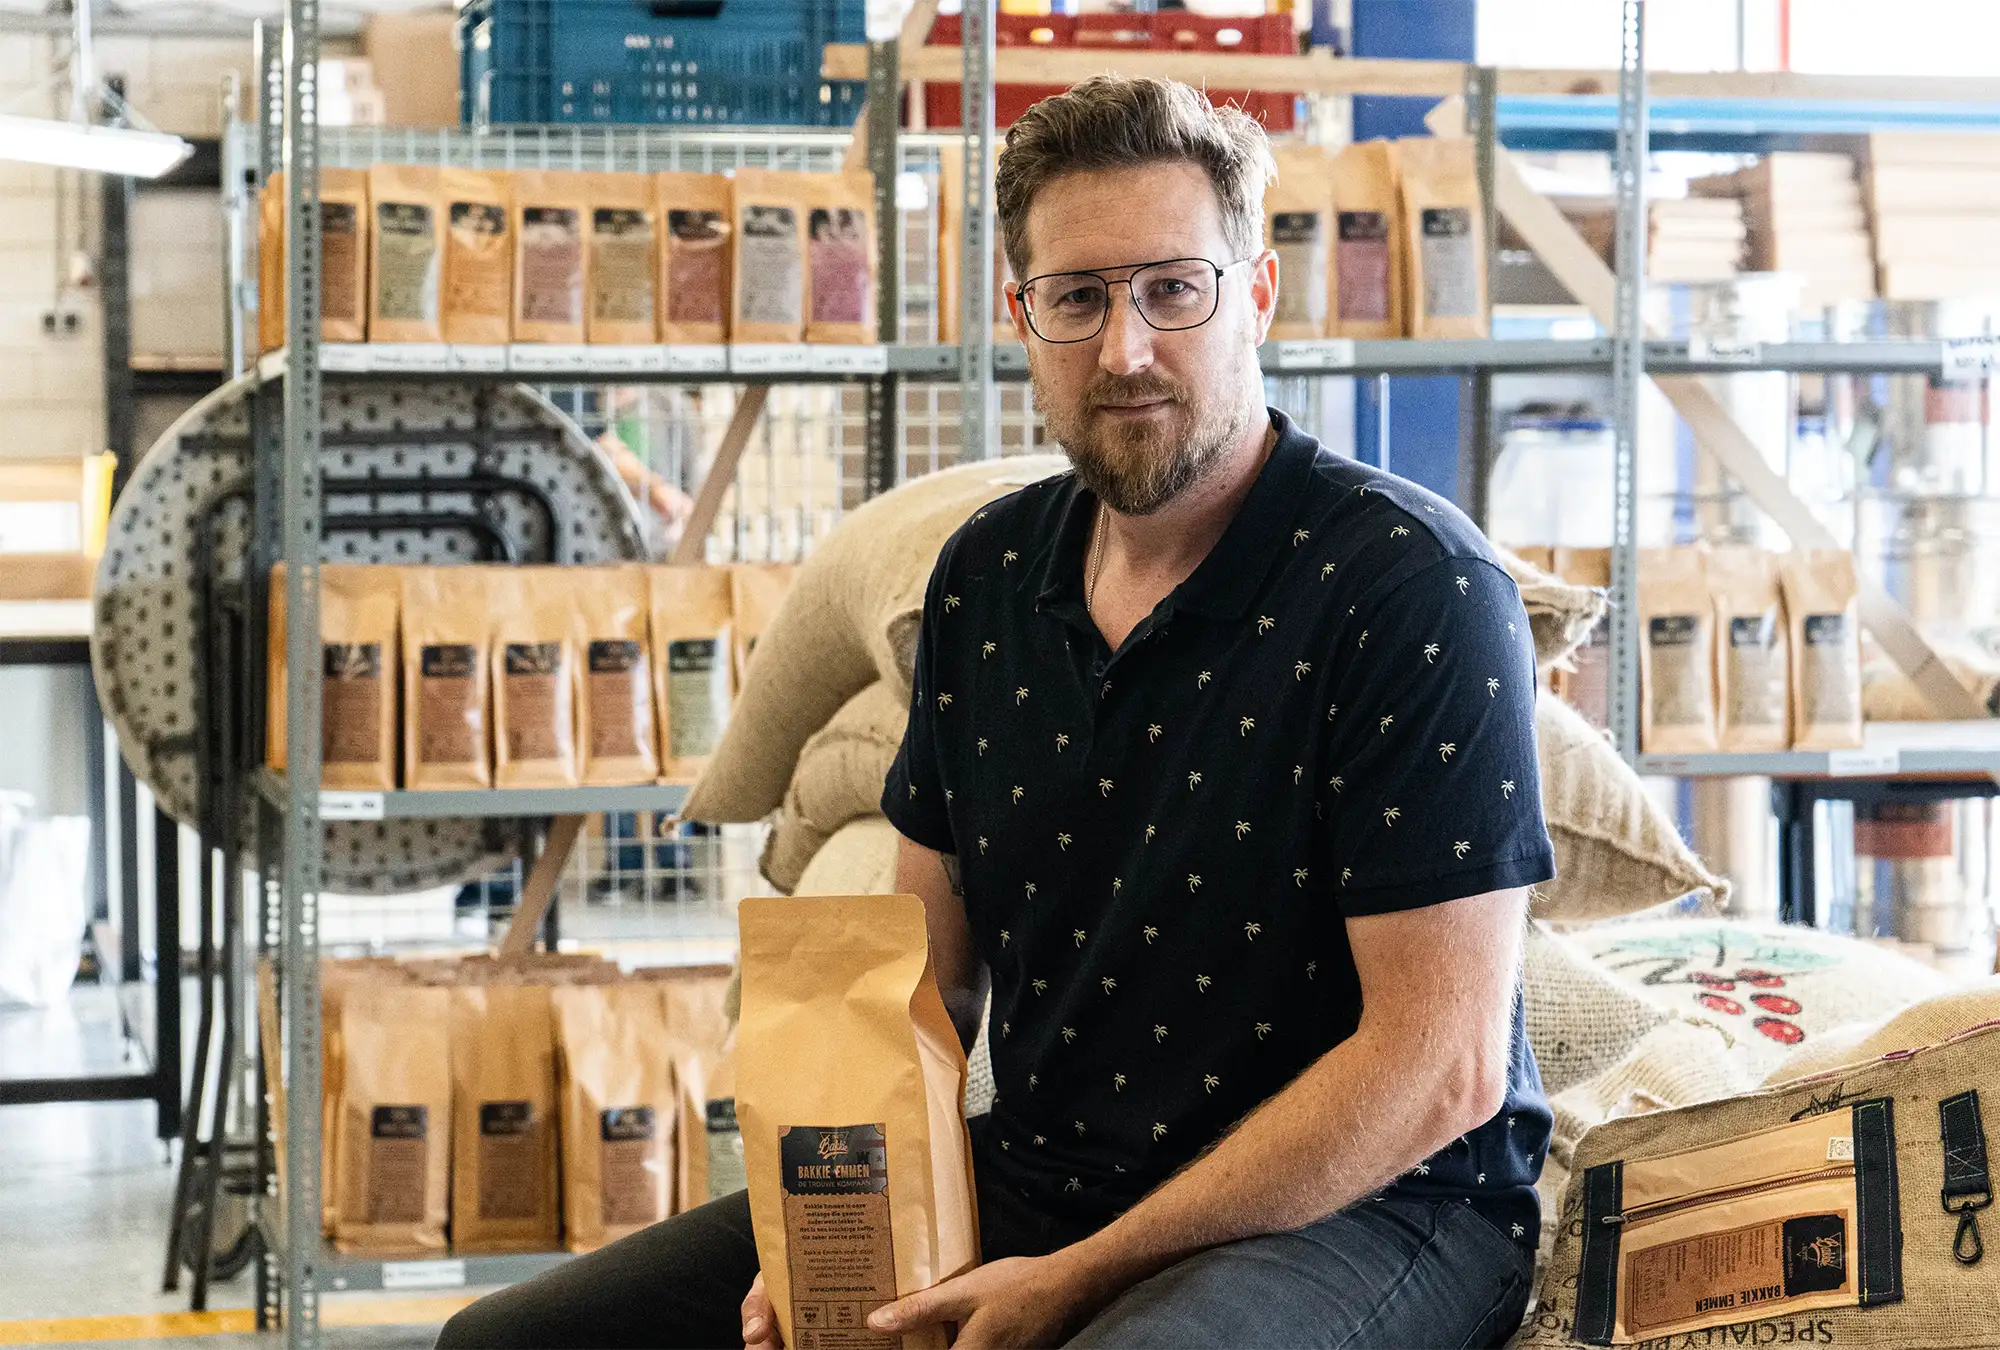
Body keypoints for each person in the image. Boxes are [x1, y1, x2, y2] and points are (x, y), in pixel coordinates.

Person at [437, 74, 1552, 1350]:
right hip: (1046, 1172)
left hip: (1371, 1211)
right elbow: (914, 979)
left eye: (1171, 289)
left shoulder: (1408, 588)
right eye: (1076, 299)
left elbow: (1440, 1065)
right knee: (510, 1345)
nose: (1123, 349)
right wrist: (836, 1223)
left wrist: (1072, 1277)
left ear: (1254, 295)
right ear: (1020, 317)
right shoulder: (986, 577)